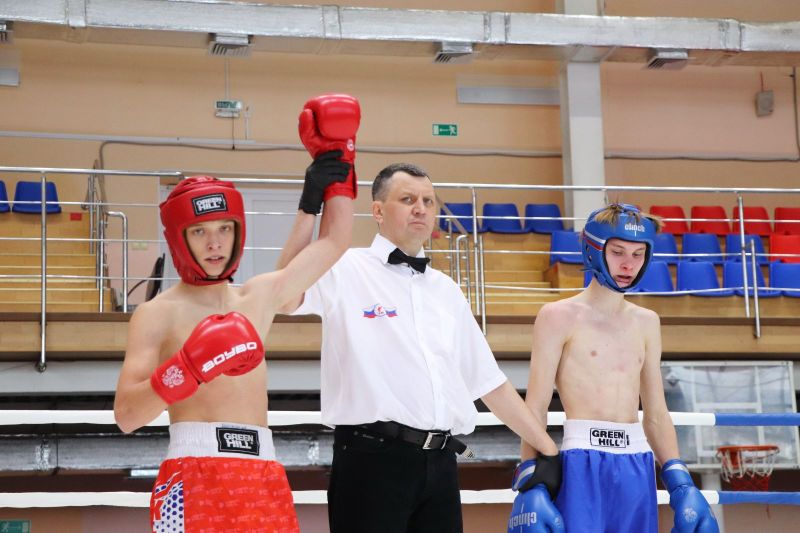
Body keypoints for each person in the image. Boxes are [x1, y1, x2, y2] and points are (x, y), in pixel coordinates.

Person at [114, 94, 359, 532]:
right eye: (200, 231)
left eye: (224, 229)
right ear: (179, 238)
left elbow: (336, 241)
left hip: (263, 473)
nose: (215, 243)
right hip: (193, 473)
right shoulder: (156, 313)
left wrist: (338, 162)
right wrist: (188, 367)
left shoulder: (257, 298)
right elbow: (128, 416)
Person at [281, 162, 560, 533]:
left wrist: (549, 450)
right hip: (371, 460)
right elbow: (284, 295)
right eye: (408, 199)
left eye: (428, 201)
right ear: (377, 211)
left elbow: (489, 383)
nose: (421, 209)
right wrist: (309, 208)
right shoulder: (345, 268)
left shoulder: (446, 289)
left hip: (440, 463)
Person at [508, 203, 719, 533]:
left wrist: (681, 482)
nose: (628, 264)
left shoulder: (647, 322)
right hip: (582, 462)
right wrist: (529, 479)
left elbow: (656, 412)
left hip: (638, 463)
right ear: (594, 249)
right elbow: (535, 406)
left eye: (638, 254)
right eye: (618, 252)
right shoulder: (557, 316)